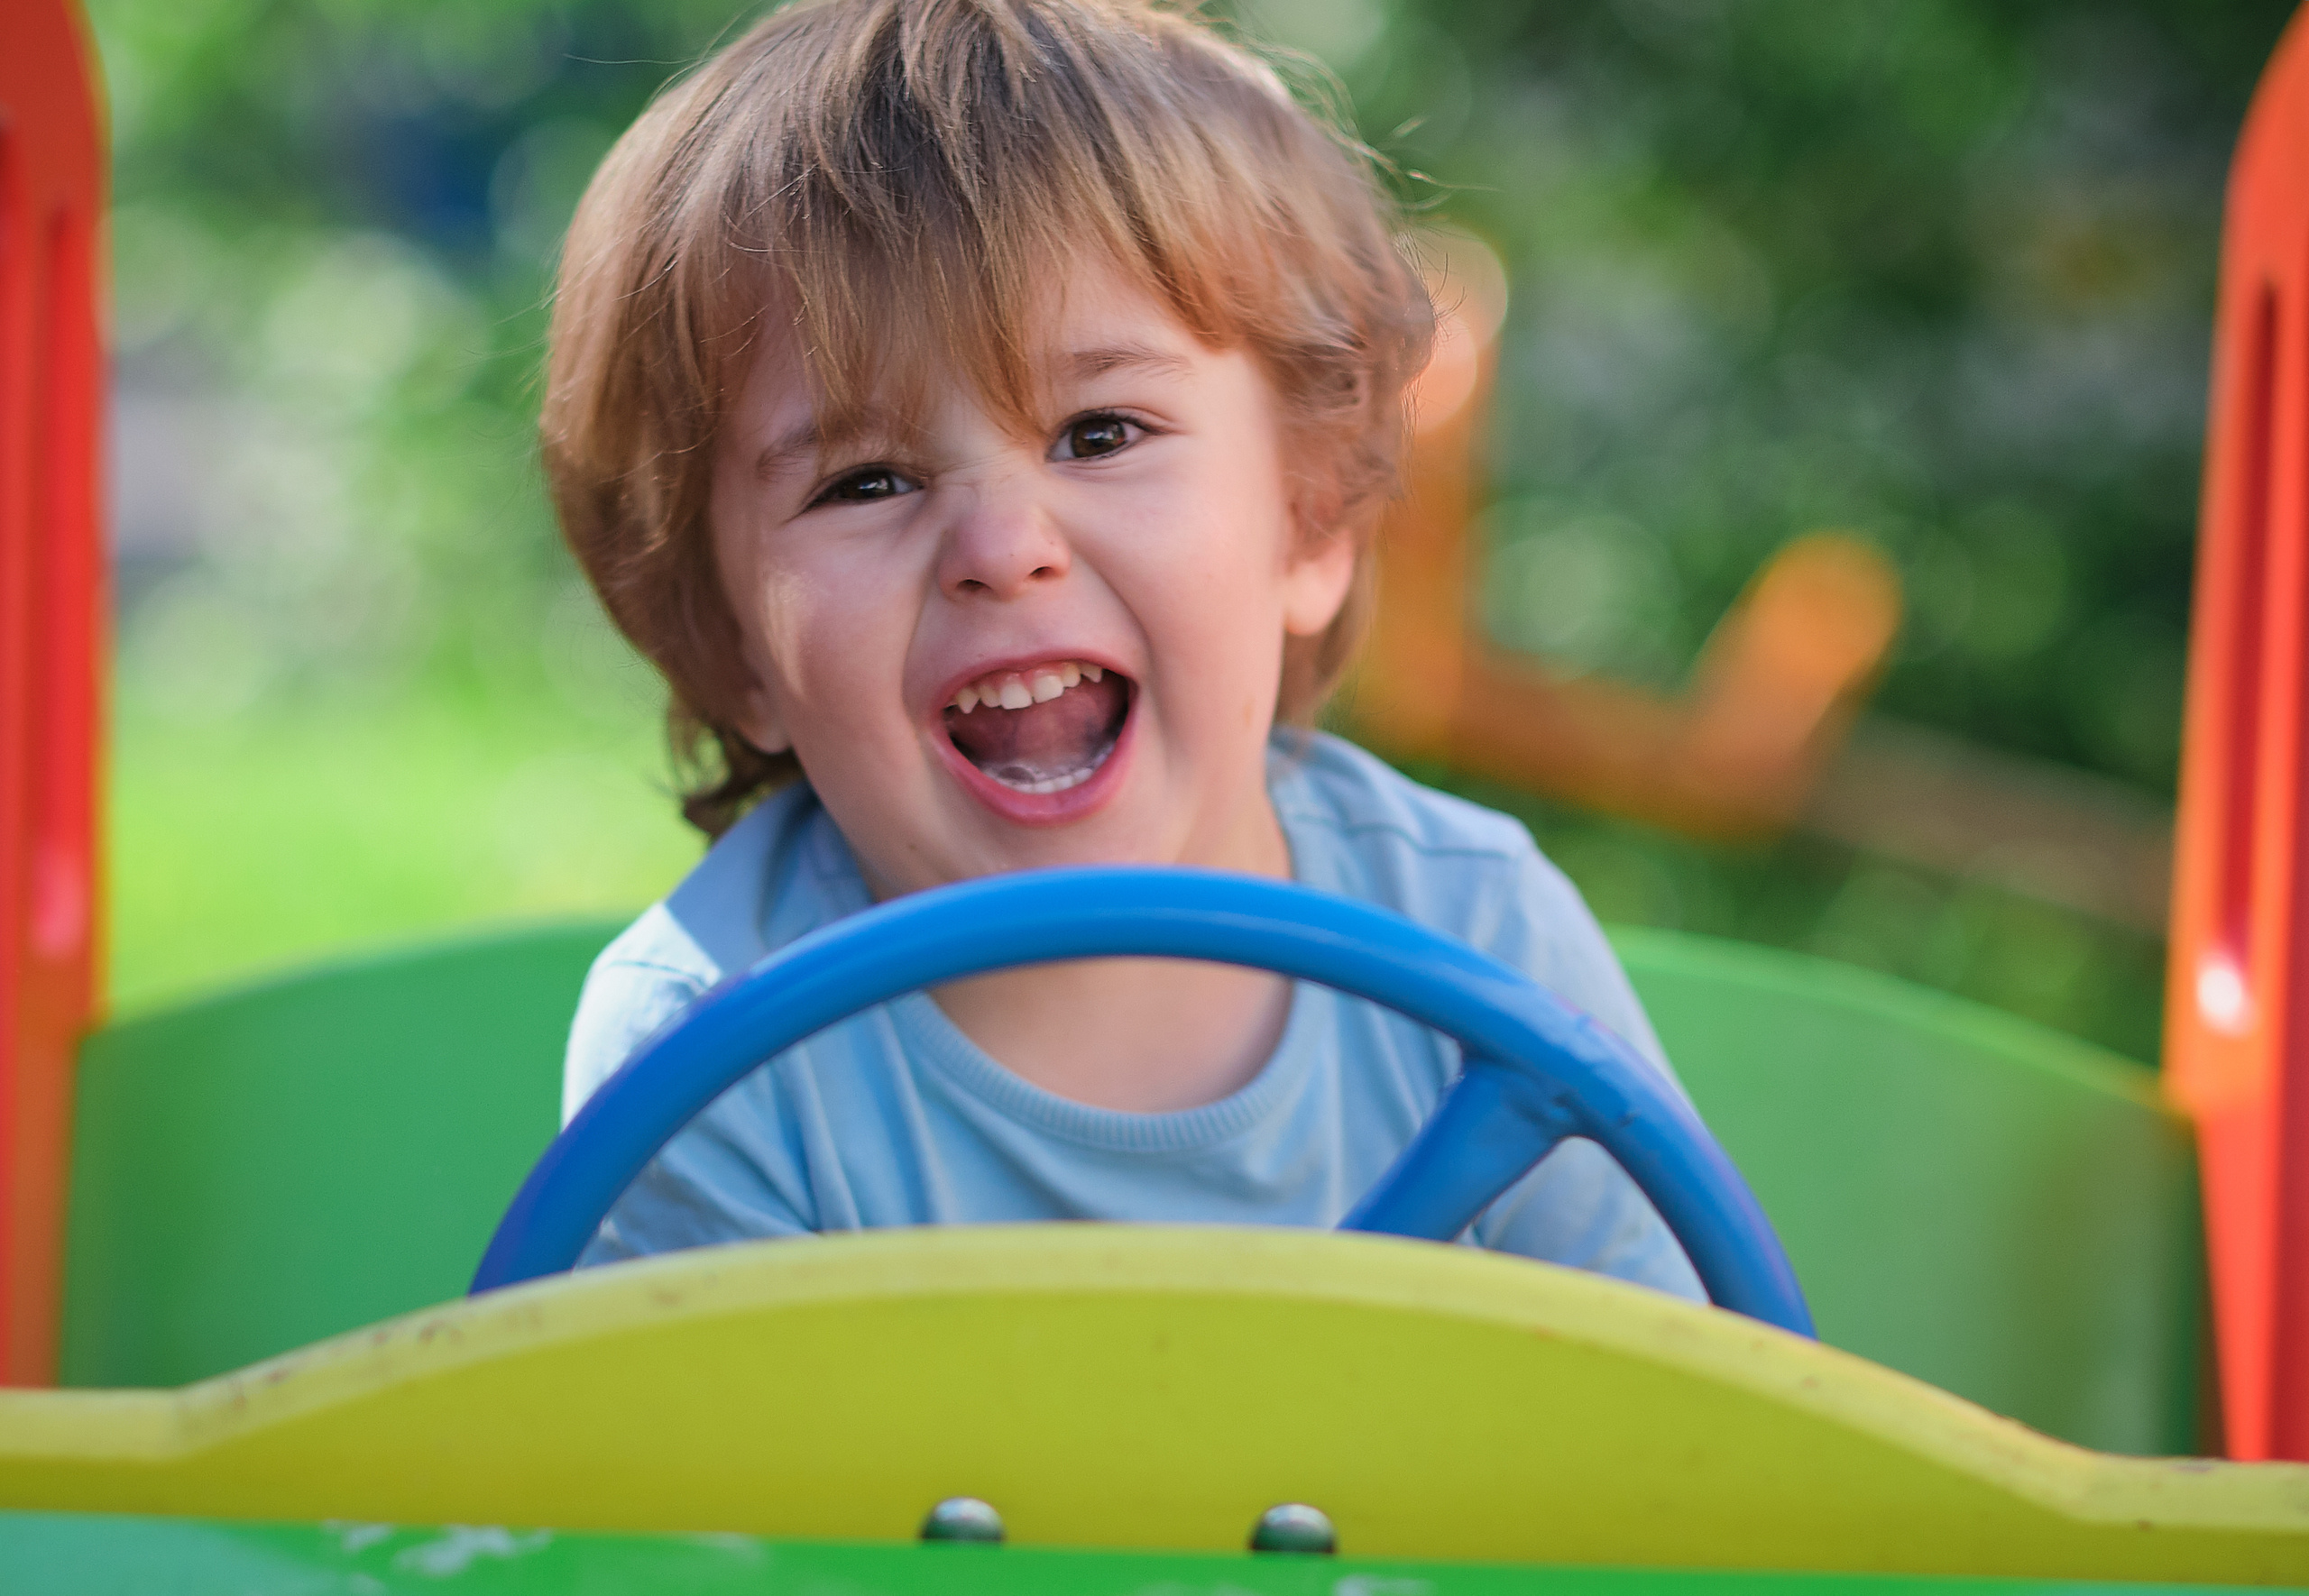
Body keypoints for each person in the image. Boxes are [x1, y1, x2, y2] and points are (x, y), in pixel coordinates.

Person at [542, 0, 1705, 1299]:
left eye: (1101, 433)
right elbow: (701, 1504)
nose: (1002, 542)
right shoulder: (707, 1053)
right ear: (735, 645)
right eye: (865, 480)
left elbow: (1686, 1450)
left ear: (1311, 518)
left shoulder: (1483, 941)